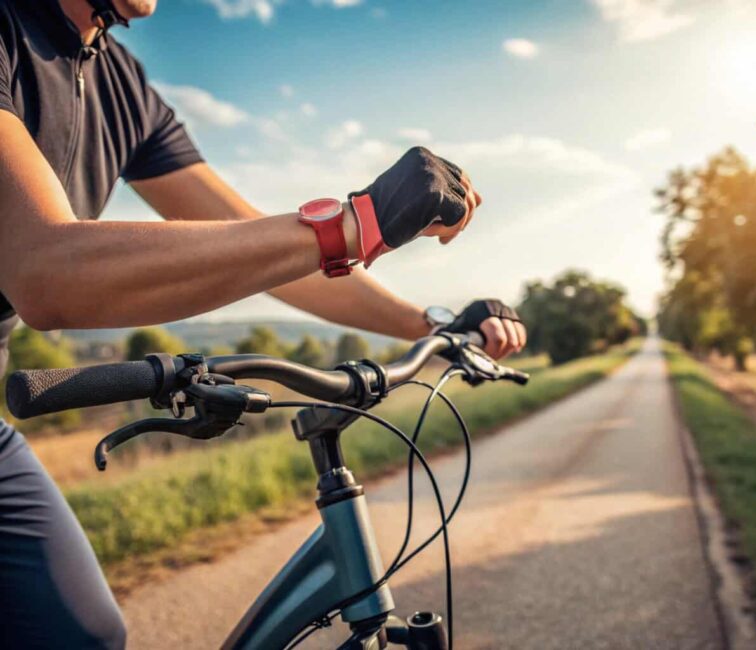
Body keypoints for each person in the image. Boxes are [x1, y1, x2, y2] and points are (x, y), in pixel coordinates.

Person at [0, 0, 527, 646]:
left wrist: (431, 326)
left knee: (84, 636)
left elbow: (266, 253)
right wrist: (353, 223)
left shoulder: (119, 84)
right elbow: (47, 272)